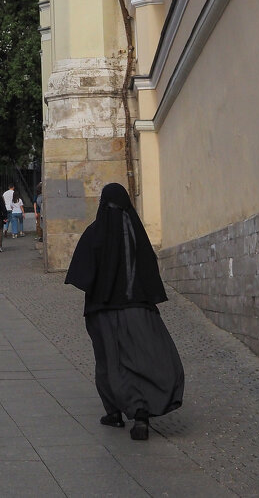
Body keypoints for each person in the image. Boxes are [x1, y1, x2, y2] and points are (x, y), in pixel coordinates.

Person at [65, 183, 184, 441]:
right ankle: (140, 413)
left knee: (109, 360)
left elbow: (81, 275)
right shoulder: (137, 235)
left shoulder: (95, 233)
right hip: (138, 309)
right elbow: (149, 271)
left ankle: (115, 412)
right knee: (143, 358)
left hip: (103, 311)